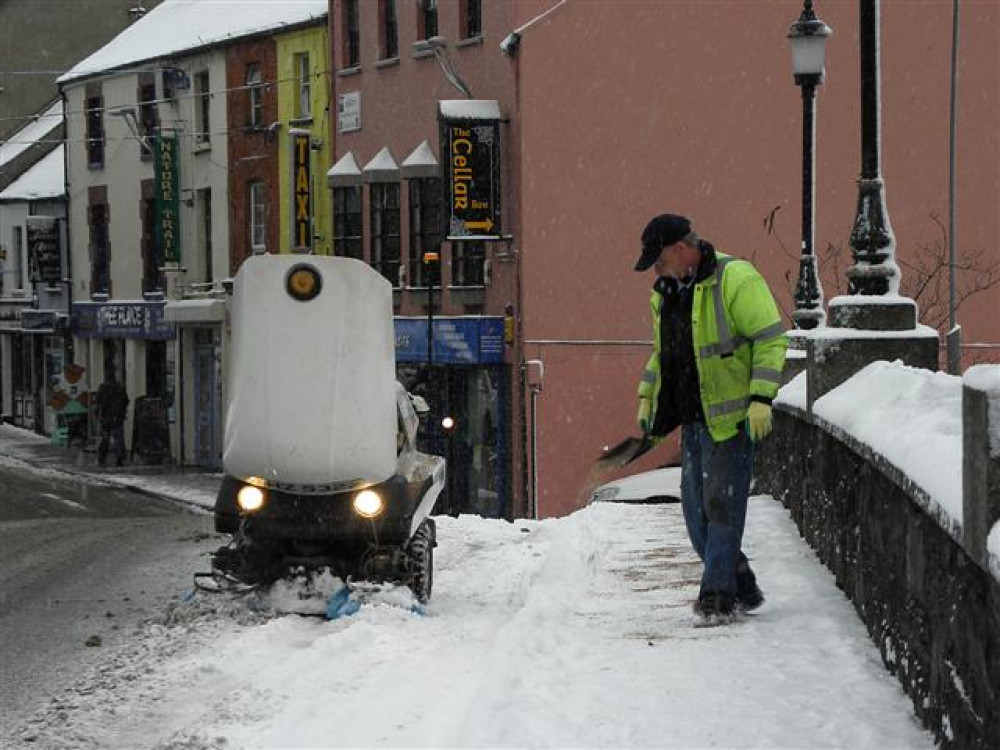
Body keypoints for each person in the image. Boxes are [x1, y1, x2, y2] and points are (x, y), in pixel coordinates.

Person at [633, 214, 788, 621]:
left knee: (721, 508)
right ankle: (741, 581)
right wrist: (648, 395)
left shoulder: (735, 279)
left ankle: (717, 597)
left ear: (681, 249)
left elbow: (770, 339)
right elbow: (663, 353)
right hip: (693, 418)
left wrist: (761, 398)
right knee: (694, 512)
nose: (655, 268)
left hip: (733, 418)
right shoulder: (665, 294)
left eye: (659, 259)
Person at [96, 373, 129, 467]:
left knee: (105, 438)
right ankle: (120, 458)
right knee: (118, 438)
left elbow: (99, 401)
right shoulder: (119, 388)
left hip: (106, 417)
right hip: (118, 417)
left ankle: (102, 458)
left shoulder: (103, 388)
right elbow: (125, 401)